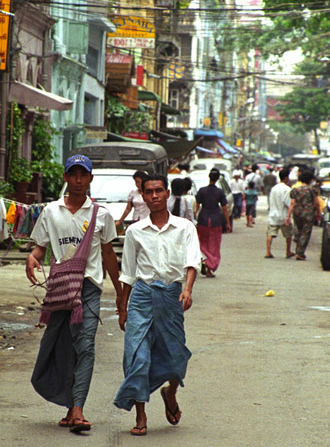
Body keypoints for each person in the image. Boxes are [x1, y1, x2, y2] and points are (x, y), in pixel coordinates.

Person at [25, 154, 122, 433]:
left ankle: (78, 408)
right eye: (73, 174)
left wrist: (119, 292)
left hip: (89, 288)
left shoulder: (101, 214)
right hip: (60, 289)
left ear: (90, 179)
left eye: (83, 175)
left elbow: (108, 254)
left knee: (86, 346)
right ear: (66, 177)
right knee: (62, 346)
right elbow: (40, 247)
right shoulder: (51, 211)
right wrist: (33, 258)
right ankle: (70, 407)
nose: (78, 180)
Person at [113, 174, 201, 436]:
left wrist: (187, 289)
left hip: (172, 296)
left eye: (159, 191)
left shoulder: (185, 227)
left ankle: (170, 392)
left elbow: (192, 261)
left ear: (167, 193)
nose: (153, 196)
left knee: (176, 357)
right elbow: (128, 272)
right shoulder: (134, 231)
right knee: (137, 357)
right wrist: (123, 306)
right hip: (141, 296)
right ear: (142, 195)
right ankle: (141, 415)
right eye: (148, 192)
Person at [195, 168, 231, 277]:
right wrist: (228, 222)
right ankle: (210, 267)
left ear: (209, 177)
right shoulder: (219, 192)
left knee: (203, 243)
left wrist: (193, 218)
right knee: (214, 245)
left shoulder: (202, 191)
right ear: (217, 178)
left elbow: (196, 206)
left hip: (203, 220)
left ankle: (204, 260)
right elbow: (225, 208)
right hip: (215, 221)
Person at [285, 170, 321, 261]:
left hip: (297, 213)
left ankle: (297, 240)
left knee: (299, 229)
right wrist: (319, 213)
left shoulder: (295, 190)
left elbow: (292, 203)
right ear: (310, 180)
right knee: (305, 232)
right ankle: (300, 253)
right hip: (308, 213)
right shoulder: (312, 190)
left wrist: (288, 215)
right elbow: (316, 202)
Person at [265, 168, 294, 258]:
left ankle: (268, 251)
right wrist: (289, 215)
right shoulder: (287, 189)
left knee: (270, 233)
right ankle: (288, 251)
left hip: (273, 215)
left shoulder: (274, 188)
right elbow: (289, 203)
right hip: (283, 215)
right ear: (286, 178)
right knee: (288, 234)